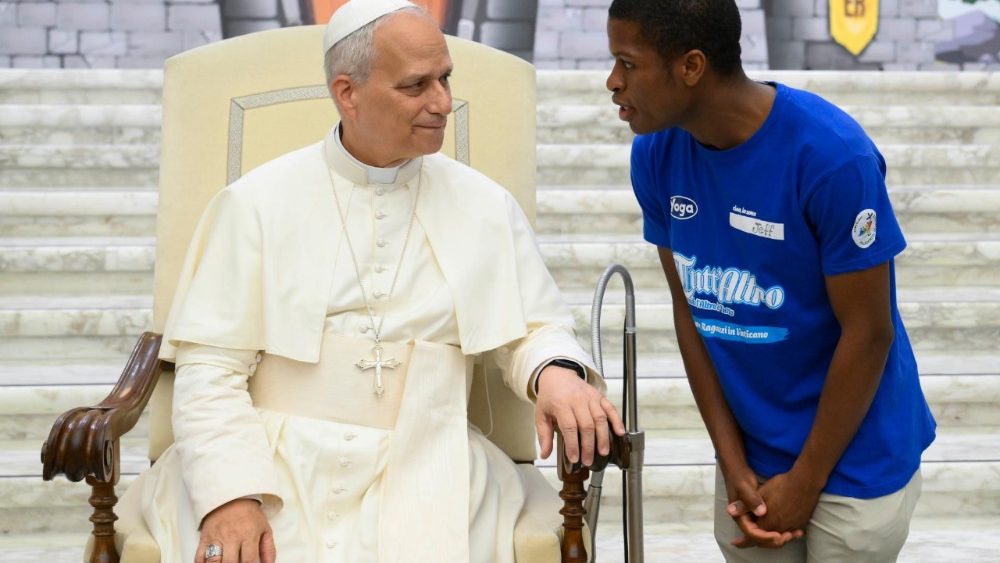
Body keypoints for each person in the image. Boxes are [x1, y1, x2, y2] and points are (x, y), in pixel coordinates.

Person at [124, 1, 625, 562]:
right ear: (348, 93)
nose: (442, 103)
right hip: (270, 458)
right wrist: (231, 495)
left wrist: (555, 373)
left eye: (445, 79)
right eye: (416, 86)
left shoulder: (485, 206)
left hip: (433, 455)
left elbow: (530, 327)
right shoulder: (255, 205)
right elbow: (209, 370)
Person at [604, 0, 936, 561]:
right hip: (751, 460)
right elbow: (693, 311)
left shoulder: (831, 157)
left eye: (627, 64)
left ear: (691, 66)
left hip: (858, 457)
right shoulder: (656, 156)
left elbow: (869, 332)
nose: (613, 82)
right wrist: (732, 461)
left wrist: (806, 481)